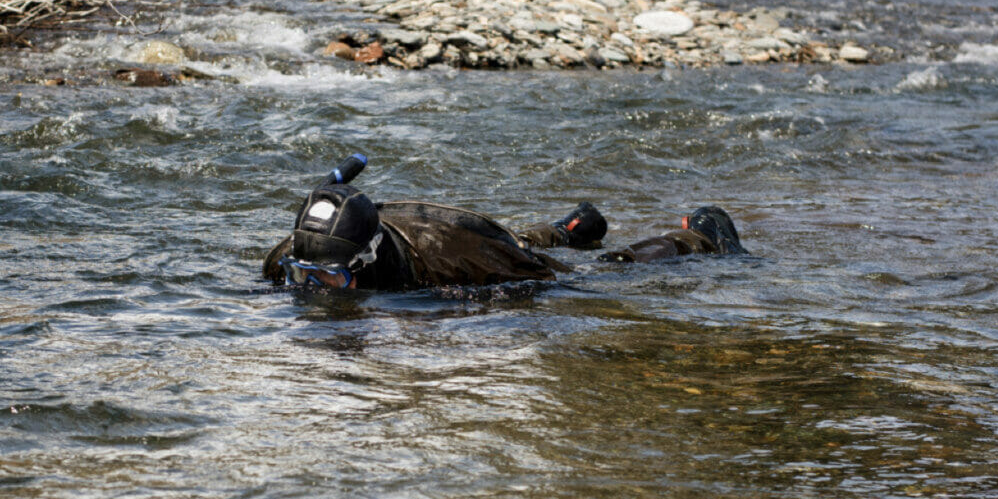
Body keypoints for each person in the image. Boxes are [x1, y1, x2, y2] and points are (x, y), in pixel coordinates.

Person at [262, 181, 748, 292]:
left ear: (366, 262)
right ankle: (570, 228)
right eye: (300, 275)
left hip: (457, 237)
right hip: (410, 226)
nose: (309, 290)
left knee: (587, 279)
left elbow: (534, 285)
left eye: (328, 280)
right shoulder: (296, 250)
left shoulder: (451, 261)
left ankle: (699, 237)